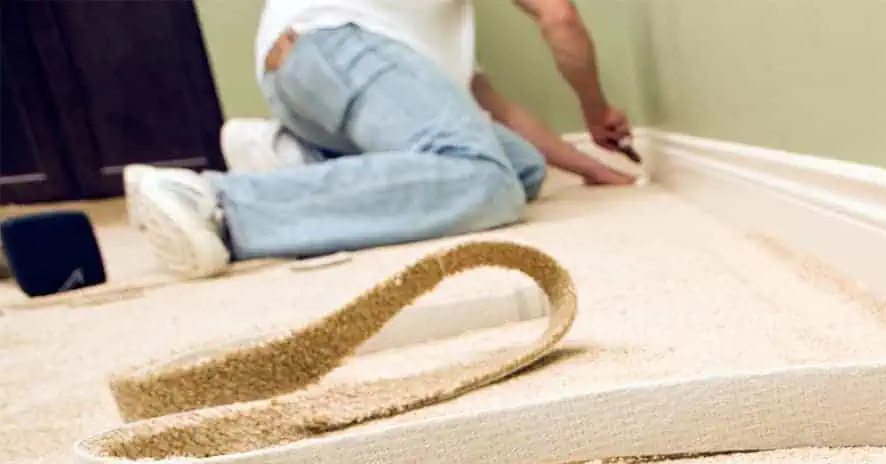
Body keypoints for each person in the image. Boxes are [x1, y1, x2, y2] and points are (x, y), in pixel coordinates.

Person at [129, 0, 639, 279]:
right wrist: (595, 110)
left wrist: (589, 167)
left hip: (308, 75)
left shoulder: (421, 30)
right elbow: (560, 15)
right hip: (337, 43)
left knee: (521, 166)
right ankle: (218, 203)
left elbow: (491, 107)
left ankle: (298, 158)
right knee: (484, 179)